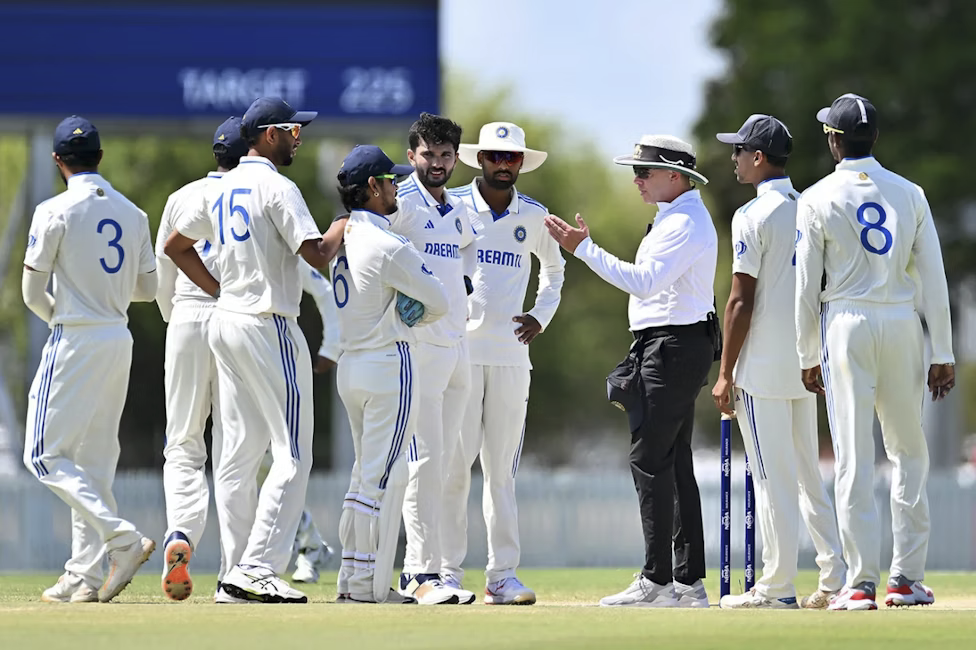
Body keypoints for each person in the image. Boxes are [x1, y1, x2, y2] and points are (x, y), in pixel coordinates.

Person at [164, 96, 342, 604]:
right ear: (268, 134)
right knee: (292, 455)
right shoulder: (277, 186)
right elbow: (319, 254)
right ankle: (257, 568)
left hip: (227, 321)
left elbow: (177, 246)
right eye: (292, 130)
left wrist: (218, 289)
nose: (298, 137)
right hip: (269, 323)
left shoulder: (220, 188)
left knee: (239, 456)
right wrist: (346, 224)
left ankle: (232, 576)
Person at [795, 93, 954, 610]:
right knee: (909, 452)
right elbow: (933, 276)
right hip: (903, 323)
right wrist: (943, 351)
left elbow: (804, 286)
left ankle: (860, 582)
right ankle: (906, 579)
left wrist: (806, 353)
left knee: (854, 457)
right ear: (876, 138)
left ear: (834, 141)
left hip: (845, 323)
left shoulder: (816, 196)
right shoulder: (911, 193)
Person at [546, 135, 718, 608]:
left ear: (675, 176)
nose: (637, 180)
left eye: (645, 171)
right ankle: (685, 582)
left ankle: (658, 579)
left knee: (650, 459)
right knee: (673, 461)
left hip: (673, 346)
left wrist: (584, 250)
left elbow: (643, 284)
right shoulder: (676, 218)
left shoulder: (684, 221)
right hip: (671, 344)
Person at [709, 114, 846, 609]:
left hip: (764, 368)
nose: (735, 159)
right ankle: (833, 579)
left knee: (772, 479)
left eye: (740, 151)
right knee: (809, 475)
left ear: (759, 157)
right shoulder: (813, 206)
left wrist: (725, 371)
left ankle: (777, 586)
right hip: (807, 363)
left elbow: (740, 300)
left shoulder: (752, 216)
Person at [24, 116, 157, 604]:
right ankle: (82, 575)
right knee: (95, 462)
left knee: (42, 454)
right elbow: (147, 288)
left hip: (74, 337)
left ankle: (120, 539)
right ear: (100, 157)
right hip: (116, 336)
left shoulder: (53, 210)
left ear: (59, 162)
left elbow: (31, 291)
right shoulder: (134, 213)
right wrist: (107, 298)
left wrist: (68, 315)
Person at [442, 122, 565, 605]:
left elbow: (554, 271)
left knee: (501, 472)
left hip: (513, 357)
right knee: (454, 466)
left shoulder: (534, 215)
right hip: (461, 353)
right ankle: (447, 572)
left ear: (520, 163)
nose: (504, 165)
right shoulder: (449, 205)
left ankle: (502, 576)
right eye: (495, 156)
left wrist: (541, 315)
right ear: (480, 160)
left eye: (512, 158)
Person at [330, 144, 449, 604]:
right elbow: (438, 300)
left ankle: (353, 579)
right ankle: (371, 588)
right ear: (373, 187)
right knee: (385, 477)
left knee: (364, 475)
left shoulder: (346, 237)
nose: (397, 186)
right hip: (387, 364)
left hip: (351, 365)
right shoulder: (389, 243)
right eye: (390, 180)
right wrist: (410, 313)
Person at [156, 116, 248, 601]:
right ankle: (236, 571)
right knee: (237, 446)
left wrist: (181, 322)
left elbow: (163, 275)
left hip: (188, 316)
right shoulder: (256, 191)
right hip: (237, 319)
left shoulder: (183, 196)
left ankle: (181, 534)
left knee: (184, 443)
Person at [388, 113, 477, 606]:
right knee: (422, 462)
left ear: (456, 158)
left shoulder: (458, 209)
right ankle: (416, 574)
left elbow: (466, 252)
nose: (438, 163)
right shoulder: (400, 203)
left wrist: (464, 287)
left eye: (446, 155)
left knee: (444, 466)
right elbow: (368, 249)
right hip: (420, 347)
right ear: (412, 156)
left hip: (458, 345)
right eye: (429, 155)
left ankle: (437, 572)